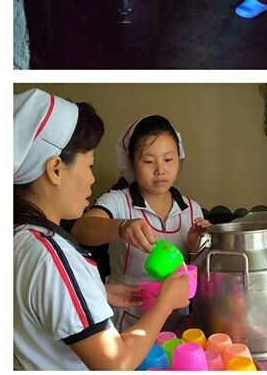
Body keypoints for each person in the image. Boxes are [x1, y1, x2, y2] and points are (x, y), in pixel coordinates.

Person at [14, 89, 190, 370]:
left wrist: (96, 291)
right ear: (56, 169)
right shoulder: (52, 255)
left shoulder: (18, 238)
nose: (93, 179)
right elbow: (115, 366)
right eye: (90, 165)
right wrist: (166, 301)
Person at [72, 115, 209, 333]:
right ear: (131, 163)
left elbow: (195, 272)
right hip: (129, 318)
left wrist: (195, 247)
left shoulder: (192, 209)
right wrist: (121, 227)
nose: (160, 170)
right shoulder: (117, 201)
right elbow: (81, 230)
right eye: (148, 161)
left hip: (178, 320)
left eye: (168, 159)